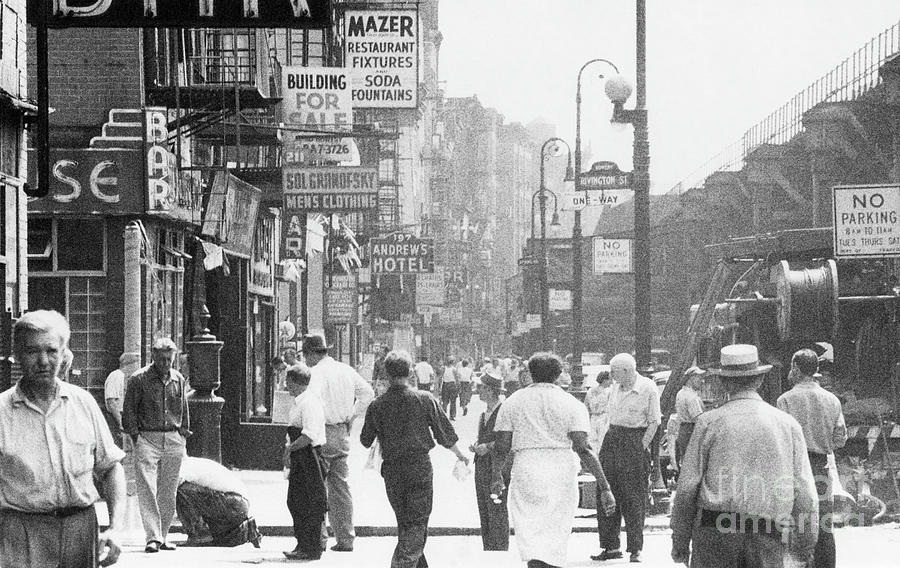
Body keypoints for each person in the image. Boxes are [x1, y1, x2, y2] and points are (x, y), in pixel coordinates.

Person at [671, 344, 819, 568]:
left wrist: (680, 541)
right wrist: (804, 546)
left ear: (722, 382)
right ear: (759, 380)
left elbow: (687, 488)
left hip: (714, 535)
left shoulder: (708, 423)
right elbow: (805, 492)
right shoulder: (787, 425)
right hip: (767, 535)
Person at [0, 310, 126, 567]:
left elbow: (111, 467)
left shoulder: (83, 403)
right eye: (33, 351)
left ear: (63, 352)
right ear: (17, 354)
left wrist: (116, 528)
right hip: (21, 533)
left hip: (80, 532)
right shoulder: (2, 412)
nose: (43, 360)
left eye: (51, 350)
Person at [492, 352, 616, 568]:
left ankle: (536, 564)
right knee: (555, 532)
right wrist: (604, 486)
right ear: (558, 375)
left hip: (526, 467)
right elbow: (584, 448)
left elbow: (502, 446)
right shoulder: (571, 404)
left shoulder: (512, 402)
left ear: (530, 372)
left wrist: (496, 476)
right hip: (561, 468)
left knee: (530, 530)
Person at [360, 350, 470, 568]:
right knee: (417, 521)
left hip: (392, 470)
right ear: (410, 372)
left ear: (386, 373)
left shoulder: (377, 404)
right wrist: (460, 454)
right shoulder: (424, 399)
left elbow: (365, 440)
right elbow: (444, 434)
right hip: (419, 467)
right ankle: (402, 564)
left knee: (405, 521)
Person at [302, 333, 374, 552]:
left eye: (306, 355)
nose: (305, 360)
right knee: (340, 487)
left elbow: (310, 403)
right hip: (342, 431)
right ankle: (345, 537)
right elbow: (368, 393)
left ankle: (319, 538)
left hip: (321, 432)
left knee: (315, 488)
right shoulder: (346, 370)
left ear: (311, 354)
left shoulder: (314, 374)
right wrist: (352, 416)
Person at [777, 348, 847, 568]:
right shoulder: (832, 400)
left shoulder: (785, 400)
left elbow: (781, 439)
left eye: (791, 366)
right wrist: (824, 443)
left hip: (794, 467)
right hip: (821, 466)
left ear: (796, 369)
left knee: (794, 522)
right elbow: (840, 438)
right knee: (824, 523)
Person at [122, 337, 191, 553]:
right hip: (148, 438)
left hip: (172, 437)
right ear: (153, 356)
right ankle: (152, 537)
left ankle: (163, 535)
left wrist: (183, 434)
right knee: (147, 488)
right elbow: (129, 410)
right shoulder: (138, 379)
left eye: (169, 360)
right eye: (162, 360)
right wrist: (136, 437)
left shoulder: (178, 379)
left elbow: (183, 407)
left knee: (168, 490)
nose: (166, 364)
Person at [594, 353, 661, 563]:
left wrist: (641, 446)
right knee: (605, 491)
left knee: (633, 496)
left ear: (626, 371)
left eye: (614, 372)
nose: (611, 375)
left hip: (634, 438)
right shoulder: (615, 388)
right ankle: (610, 545)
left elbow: (654, 422)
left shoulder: (647, 388)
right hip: (612, 439)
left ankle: (635, 548)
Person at [283, 364, 328, 560]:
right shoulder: (298, 402)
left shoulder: (309, 403)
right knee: (296, 500)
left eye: (289, 381)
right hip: (300, 455)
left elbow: (308, 435)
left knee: (309, 501)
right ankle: (303, 542)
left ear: (297, 383)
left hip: (308, 455)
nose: (286, 385)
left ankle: (311, 546)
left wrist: (290, 449)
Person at [177, 456, 262, 548]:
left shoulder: (184, 467)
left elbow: (169, 493)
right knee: (220, 539)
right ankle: (247, 529)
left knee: (180, 490)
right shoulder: (195, 462)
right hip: (239, 504)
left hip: (234, 502)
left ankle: (199, 535)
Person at [469, 372, 510, 551]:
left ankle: (499, 551)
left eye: (483, 388)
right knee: (484, 510)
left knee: (497, 509)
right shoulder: (484, 414)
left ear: (492, 391)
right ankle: (489, 549)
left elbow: (508, 441)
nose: (479, 391)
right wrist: (477, 445)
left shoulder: (504, 412)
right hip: (482, 466)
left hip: (497, 467)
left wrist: (488, 446)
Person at [104, 352, 141, 447]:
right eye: (137, 364)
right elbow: (111, 402)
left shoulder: (124, 377)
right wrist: (120, 423)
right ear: (130, 364)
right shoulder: (117, 376)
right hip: (115, 418)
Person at [674, 366, 706, 469]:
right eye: (699, 378)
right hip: (691, 431)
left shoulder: (680, 393)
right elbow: (699, 419)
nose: (702, 381)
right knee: (695, 463)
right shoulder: (691, 397)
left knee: (686, 461)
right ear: (691, 378)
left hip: (683, 430)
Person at [584, 370, 612, 452]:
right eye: (609, 380)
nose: (611, 382)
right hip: (604, 417)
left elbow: (586, 405)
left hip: (593, 417)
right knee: (602, 439)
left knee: (593, 439)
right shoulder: (609, 391)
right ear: (604, 380)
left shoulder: (590, 391)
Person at [440, 355, 459, 420]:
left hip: (445, 385)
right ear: (453, 362)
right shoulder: (454, 369)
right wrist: (458, 387)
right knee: (453, 401)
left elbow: (440, 378)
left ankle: (443, 414)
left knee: (445, 400)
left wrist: (439, 387)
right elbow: (456, 379)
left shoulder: (443, 368)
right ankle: (452, 416)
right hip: (452, 385)